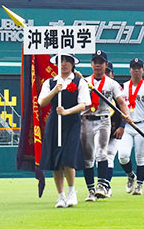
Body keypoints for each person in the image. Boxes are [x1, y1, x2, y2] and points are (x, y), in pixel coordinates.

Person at [37, 54, 90, 208]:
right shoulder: (50, 82)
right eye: (61, 61)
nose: (64, 64)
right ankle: (60, 196)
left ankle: (72, 191)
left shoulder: (79, 82)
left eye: (67, 61)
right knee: (56, 160)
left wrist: (67, 112)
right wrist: (55, 91)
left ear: (73, 64)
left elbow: (83, 104)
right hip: (55, 122)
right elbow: (41, 102)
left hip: (72, 122)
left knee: (68, 157)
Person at [81, 51, 131, 201]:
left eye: (101, 62)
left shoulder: (112, 84)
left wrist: (126, 115)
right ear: (91, 64)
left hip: (103, 120)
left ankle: (102, 186)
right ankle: (91, 190)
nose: (97, 65)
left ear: (106, 65)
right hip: (86, 119)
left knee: (102, 153)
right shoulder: (83, 81)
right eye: (95, 62)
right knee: (87, 158)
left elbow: (121, 103)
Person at [118, 58, 144, 196]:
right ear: (130, 70)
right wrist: (121, 126)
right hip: (127, 126)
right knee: (123, 156)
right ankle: (130, 175)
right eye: (134, 68)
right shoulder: (123, 87)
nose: (136, 70)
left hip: (142, 124)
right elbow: (119, 108)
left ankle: (139, 185)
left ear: (143, 70)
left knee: (141, 157)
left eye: (139, 68)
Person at [102, 62, 123, 197]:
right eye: (105, 72)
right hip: (99, 127)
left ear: (112, 74)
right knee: (98, 157)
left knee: (109, 155)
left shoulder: (117, 90)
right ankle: (100, 185)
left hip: (115, 128)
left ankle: (106, 186)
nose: (106, 75)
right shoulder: (95, 87)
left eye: (108, 72)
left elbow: (123, 109)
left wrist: (122, 126)